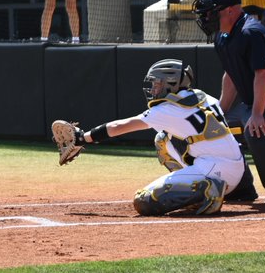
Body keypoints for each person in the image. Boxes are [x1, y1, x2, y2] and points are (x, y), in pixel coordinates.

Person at [51, 60, 245, 217]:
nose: (153, 88)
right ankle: (197, 192)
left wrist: (83, 138)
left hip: (216, 173)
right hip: (234, 168)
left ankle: (207, 189)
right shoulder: (203, 96)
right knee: (162, 139)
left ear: (171, 83)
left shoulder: (167, 109)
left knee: (143, 200)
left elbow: (120, 126)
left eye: (157, 83)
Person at [193, 0, 265, 209]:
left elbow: (262, 74)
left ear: (231, 11)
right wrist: (220, 113)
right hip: (252, 102)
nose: (207, 18)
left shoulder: (250, 32)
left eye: (211, 12)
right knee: (213, 131)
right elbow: (231, 76)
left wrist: (256, 114)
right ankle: (241, 187)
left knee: (255, 132)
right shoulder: (223, 37)